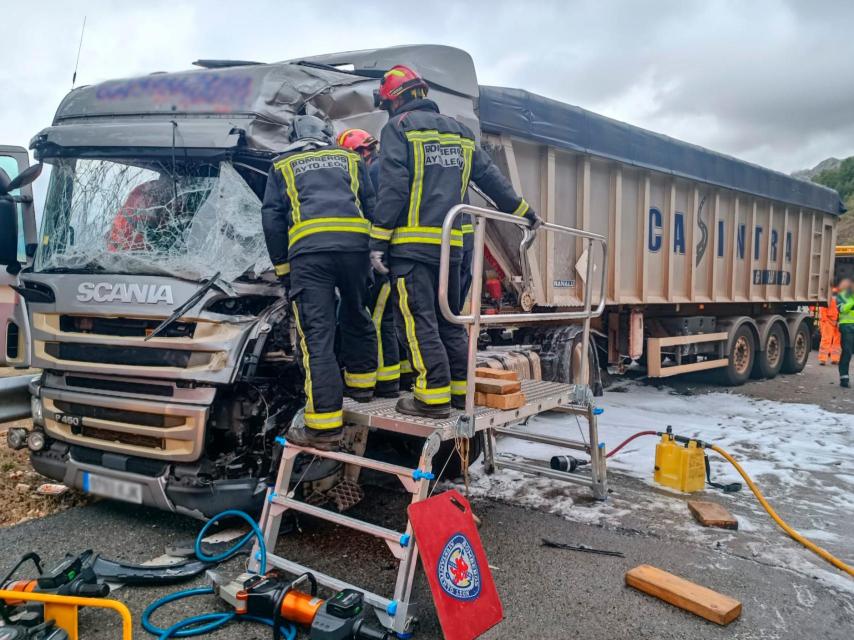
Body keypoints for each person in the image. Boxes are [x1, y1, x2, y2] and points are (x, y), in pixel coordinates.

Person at [369, 64, 542, 419]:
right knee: (449, 321)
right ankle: (460, 392)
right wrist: (524, 211)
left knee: (420, 322)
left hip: (412, 249)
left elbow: (393, 189)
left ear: (393, 101)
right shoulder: (461, 133)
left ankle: (431, 399)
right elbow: (491, 180)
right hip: (456, 251)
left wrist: (377, 239)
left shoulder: (397, 129)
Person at [262, 115, 378, 448]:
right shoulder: (350, 159)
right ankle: (362, 385)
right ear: (326, 134)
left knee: (318, 336)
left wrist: (282, 269)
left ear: (293, 135)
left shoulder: (282, 164)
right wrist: (372, 251)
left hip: (310, 256)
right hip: (355, 249)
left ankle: (324, 427)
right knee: (357, 311)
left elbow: (272, 221)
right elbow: (370, 206)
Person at [338, 128, 402, 397]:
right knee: (386, 320)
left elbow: (373, 214)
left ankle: (379, 384)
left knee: (374, 320)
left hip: (379, 261)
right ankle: (393, 379)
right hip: (391, 259)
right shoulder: (383, 168)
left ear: (359, 153)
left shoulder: (372, 173)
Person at [836, 278, 854, 388]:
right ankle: (844, 377)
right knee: (847, 352)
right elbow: (841, 309)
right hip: (847, 327)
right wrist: (852, 304)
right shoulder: (842, 295)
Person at [818, 284, 841, 366]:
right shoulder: (831, 295)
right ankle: (823, 359)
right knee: (826, 339)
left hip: (837, 321)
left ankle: (835, 358)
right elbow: (823, 308)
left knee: (836, 341)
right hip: (829, 320)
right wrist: (825, 320)